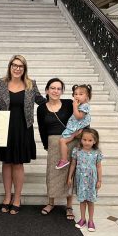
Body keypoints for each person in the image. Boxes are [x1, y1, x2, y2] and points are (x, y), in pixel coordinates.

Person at [0, 55, 45, 215]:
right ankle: (7, 196)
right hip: (3, 128)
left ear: (24, 68)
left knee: (18, 164)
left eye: (20, 66)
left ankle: (17, 198)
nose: (17, 68)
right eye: (14, 65)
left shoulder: (30, 84)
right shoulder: (0, 83)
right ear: (10, 66)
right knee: (6, 163)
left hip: (23, 129)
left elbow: (42, 101)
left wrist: (59, 102)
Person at [37, 78, 76, 220]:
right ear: (47, 90)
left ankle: (69, 205)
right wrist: (45, 145)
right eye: (52, 88)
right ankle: (51, 202)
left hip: (70, 142)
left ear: (62, 91)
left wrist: (78, 137)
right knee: (52, 173)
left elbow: (80, 119)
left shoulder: (69, 104)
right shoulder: (41, 108)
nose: (55, 91)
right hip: (53, 143)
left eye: (59, 88)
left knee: (70, 175)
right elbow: (42, 128)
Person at [67, 128, 103, 232]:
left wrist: (99, 180)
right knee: (82, 200)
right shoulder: (76, 151)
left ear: (95, 141)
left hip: (92, 180)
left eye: (90, 140)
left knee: (90, 201)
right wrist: (70, 177)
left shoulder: (96, 152)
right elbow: (73, 164)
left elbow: (99, 167)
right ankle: (83, 219)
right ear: (81, 140)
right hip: (80, 179)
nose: (86, 142)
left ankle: (91, 221)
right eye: (84, 139)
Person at [56, 84, 92, 169]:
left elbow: (79, 116)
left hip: (78, 128)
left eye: (80, 94)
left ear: (87, 97)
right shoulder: (80, 105)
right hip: (76, 128)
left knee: (62, 141)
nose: (77, 96)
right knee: (62, 140)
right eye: (75, 94)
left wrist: (74, 106)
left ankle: (64, 160)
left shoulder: (85, 106)